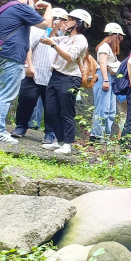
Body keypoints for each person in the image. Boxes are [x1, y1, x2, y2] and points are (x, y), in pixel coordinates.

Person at [0, 0, 53, 144]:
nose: (34, 8)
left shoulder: (4, 8)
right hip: (10, 57)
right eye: (34, 3)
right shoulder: (21, 7)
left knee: (1, 93)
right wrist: (48, 7)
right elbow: (47, 24)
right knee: (5, 95)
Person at [11, 7, 69, 141]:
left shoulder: (64, 38)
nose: (65, 24)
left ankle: (50, 132)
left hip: (52, 77)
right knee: (27, 99)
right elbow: (28, 47)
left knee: (51, 107)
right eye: (63, 21)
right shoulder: (39, 31)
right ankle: (21, 126)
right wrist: (29, 65)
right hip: (35, 72)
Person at [40, 9, 92, 155]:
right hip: (55, 75)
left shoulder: (81, 39)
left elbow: (70, 57)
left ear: (79, 23)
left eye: (70, 19)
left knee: (66, 112)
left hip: (70, 78)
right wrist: (54, 28)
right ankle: (56, 139)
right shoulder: (66, 38)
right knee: (51, 110)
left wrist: (54, 45)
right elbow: (43, 39)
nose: (66, 21)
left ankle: (67, 144)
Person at [90, 22, 125, 142]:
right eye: (120, 37)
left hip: (111, 78)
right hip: (104, 77)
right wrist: (105, 80)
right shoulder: (104, 47)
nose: (121, 39)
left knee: (111, 109)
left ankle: (105, 135)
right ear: (115, 36)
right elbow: (102, 63)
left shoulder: (110, 48)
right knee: (102, 108)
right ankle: (97, 134)